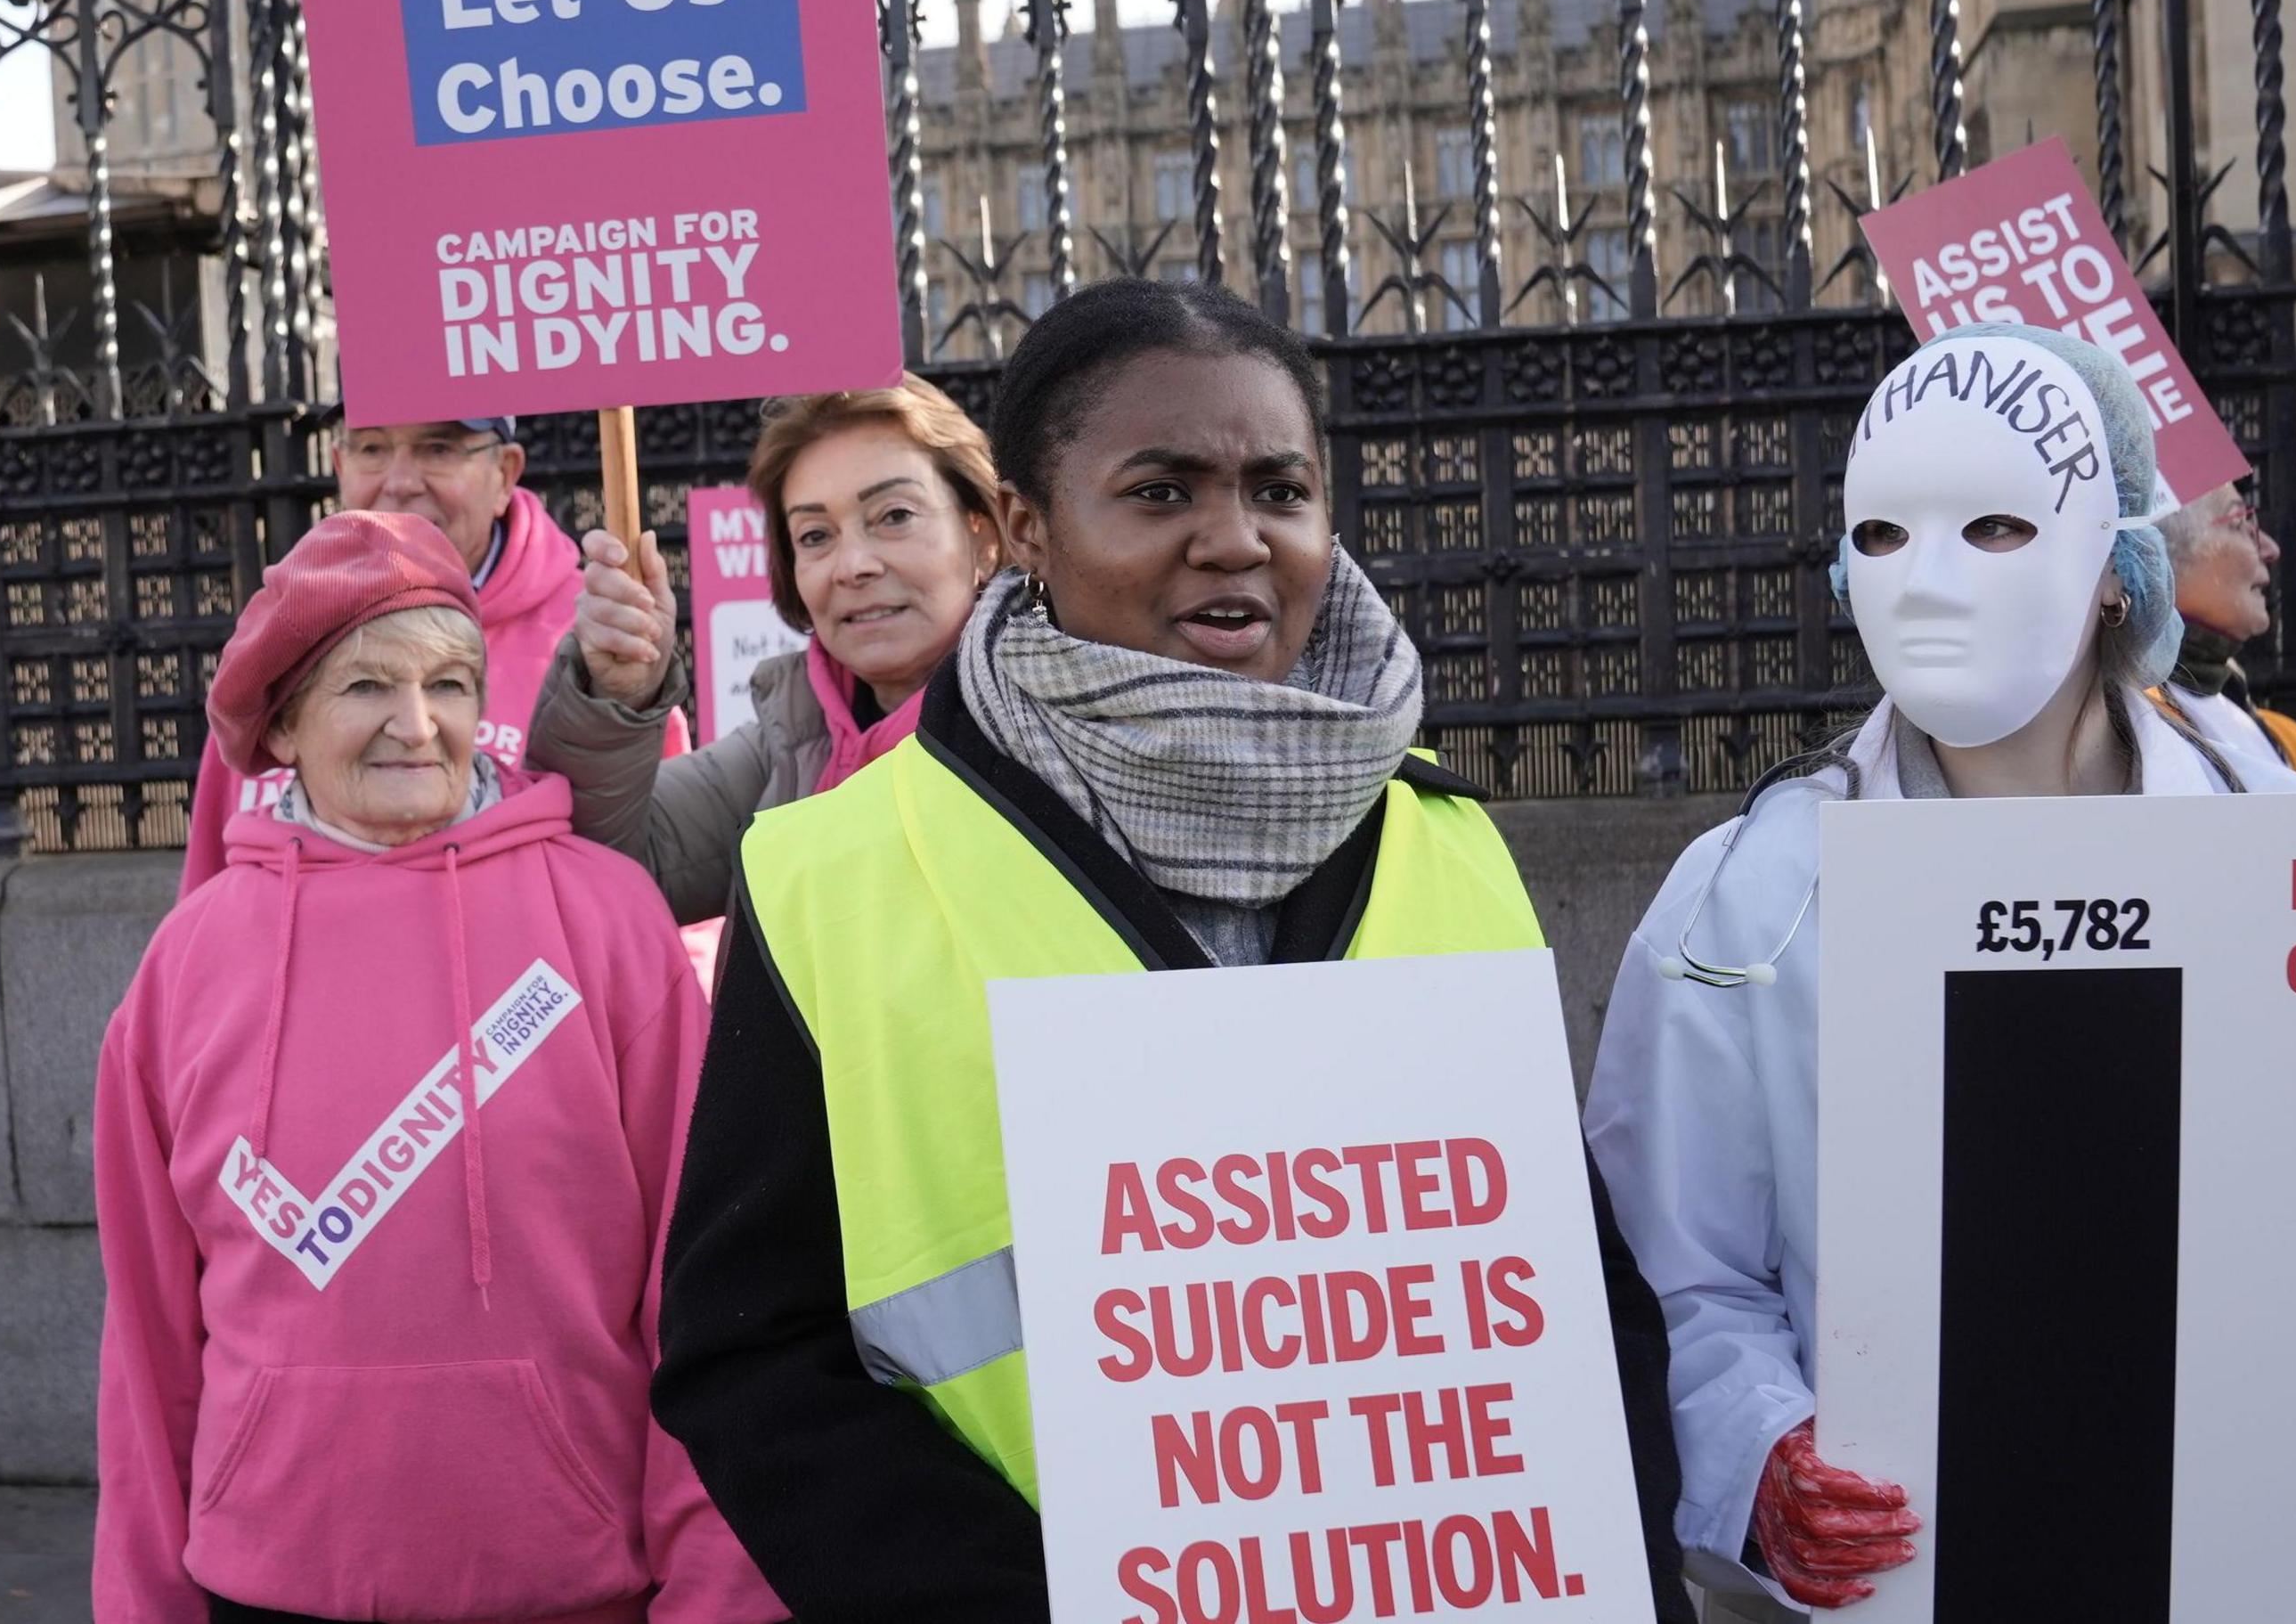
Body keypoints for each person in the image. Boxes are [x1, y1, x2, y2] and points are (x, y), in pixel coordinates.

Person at [649, 279, 1690, 1624]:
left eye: (1280, 487)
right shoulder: (825, 875)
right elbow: (753, 1359)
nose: (1235, 539)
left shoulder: (1452, 843)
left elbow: (1581, 1296)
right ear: (1024, 525)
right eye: (1160, 491)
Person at [1584, 323, 2296, 1620]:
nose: (1925, 581)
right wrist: (1763, 1453)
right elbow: (1675, 1271)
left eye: (1993, 527)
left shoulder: (2285, 847)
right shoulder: (1745, 901)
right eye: (1880, 535)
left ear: (2114, 563)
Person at [92, 510, 778, 1624]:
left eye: (452, 682)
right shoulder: (188, 962)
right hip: (269, 1583)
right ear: (283, 721)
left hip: (575, 1585)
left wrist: (720, 1595)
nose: (417, 724)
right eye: (367, 685)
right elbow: (147, 1338)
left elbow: (702, 1291)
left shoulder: (605, 920)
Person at [525, 377, 1003, 923]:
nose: (853, 566)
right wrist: (613, 696)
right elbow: (589, 871)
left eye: (894, 516)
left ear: (983, 535)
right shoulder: (788, 746)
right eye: (815, 536)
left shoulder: (1055, 728)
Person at [177, 416, 595, 894]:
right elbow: (210, 899)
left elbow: (656, 890)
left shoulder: (593, 633)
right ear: (338, 463)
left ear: (505, 472)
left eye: (438, 449)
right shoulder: (286, 636)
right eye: (372, 449)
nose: (400, 484)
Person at [2152, 477, 2296, 786]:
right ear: (2155, 555)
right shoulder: (2129, 731)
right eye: (2239, 522)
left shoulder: (2288, 740)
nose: (2270, 548)